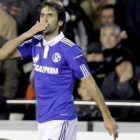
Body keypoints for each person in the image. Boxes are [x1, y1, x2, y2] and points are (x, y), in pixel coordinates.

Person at [0, 1, 118, 140]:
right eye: (42, 15)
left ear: (60, 22)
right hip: (43, 118)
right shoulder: (35, 43)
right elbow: (3, 54)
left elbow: (90, 84)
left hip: (61, 118)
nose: (44, 19)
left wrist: (107, 116)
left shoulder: (70, 49)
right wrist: (28, 33)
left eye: (50, 15)